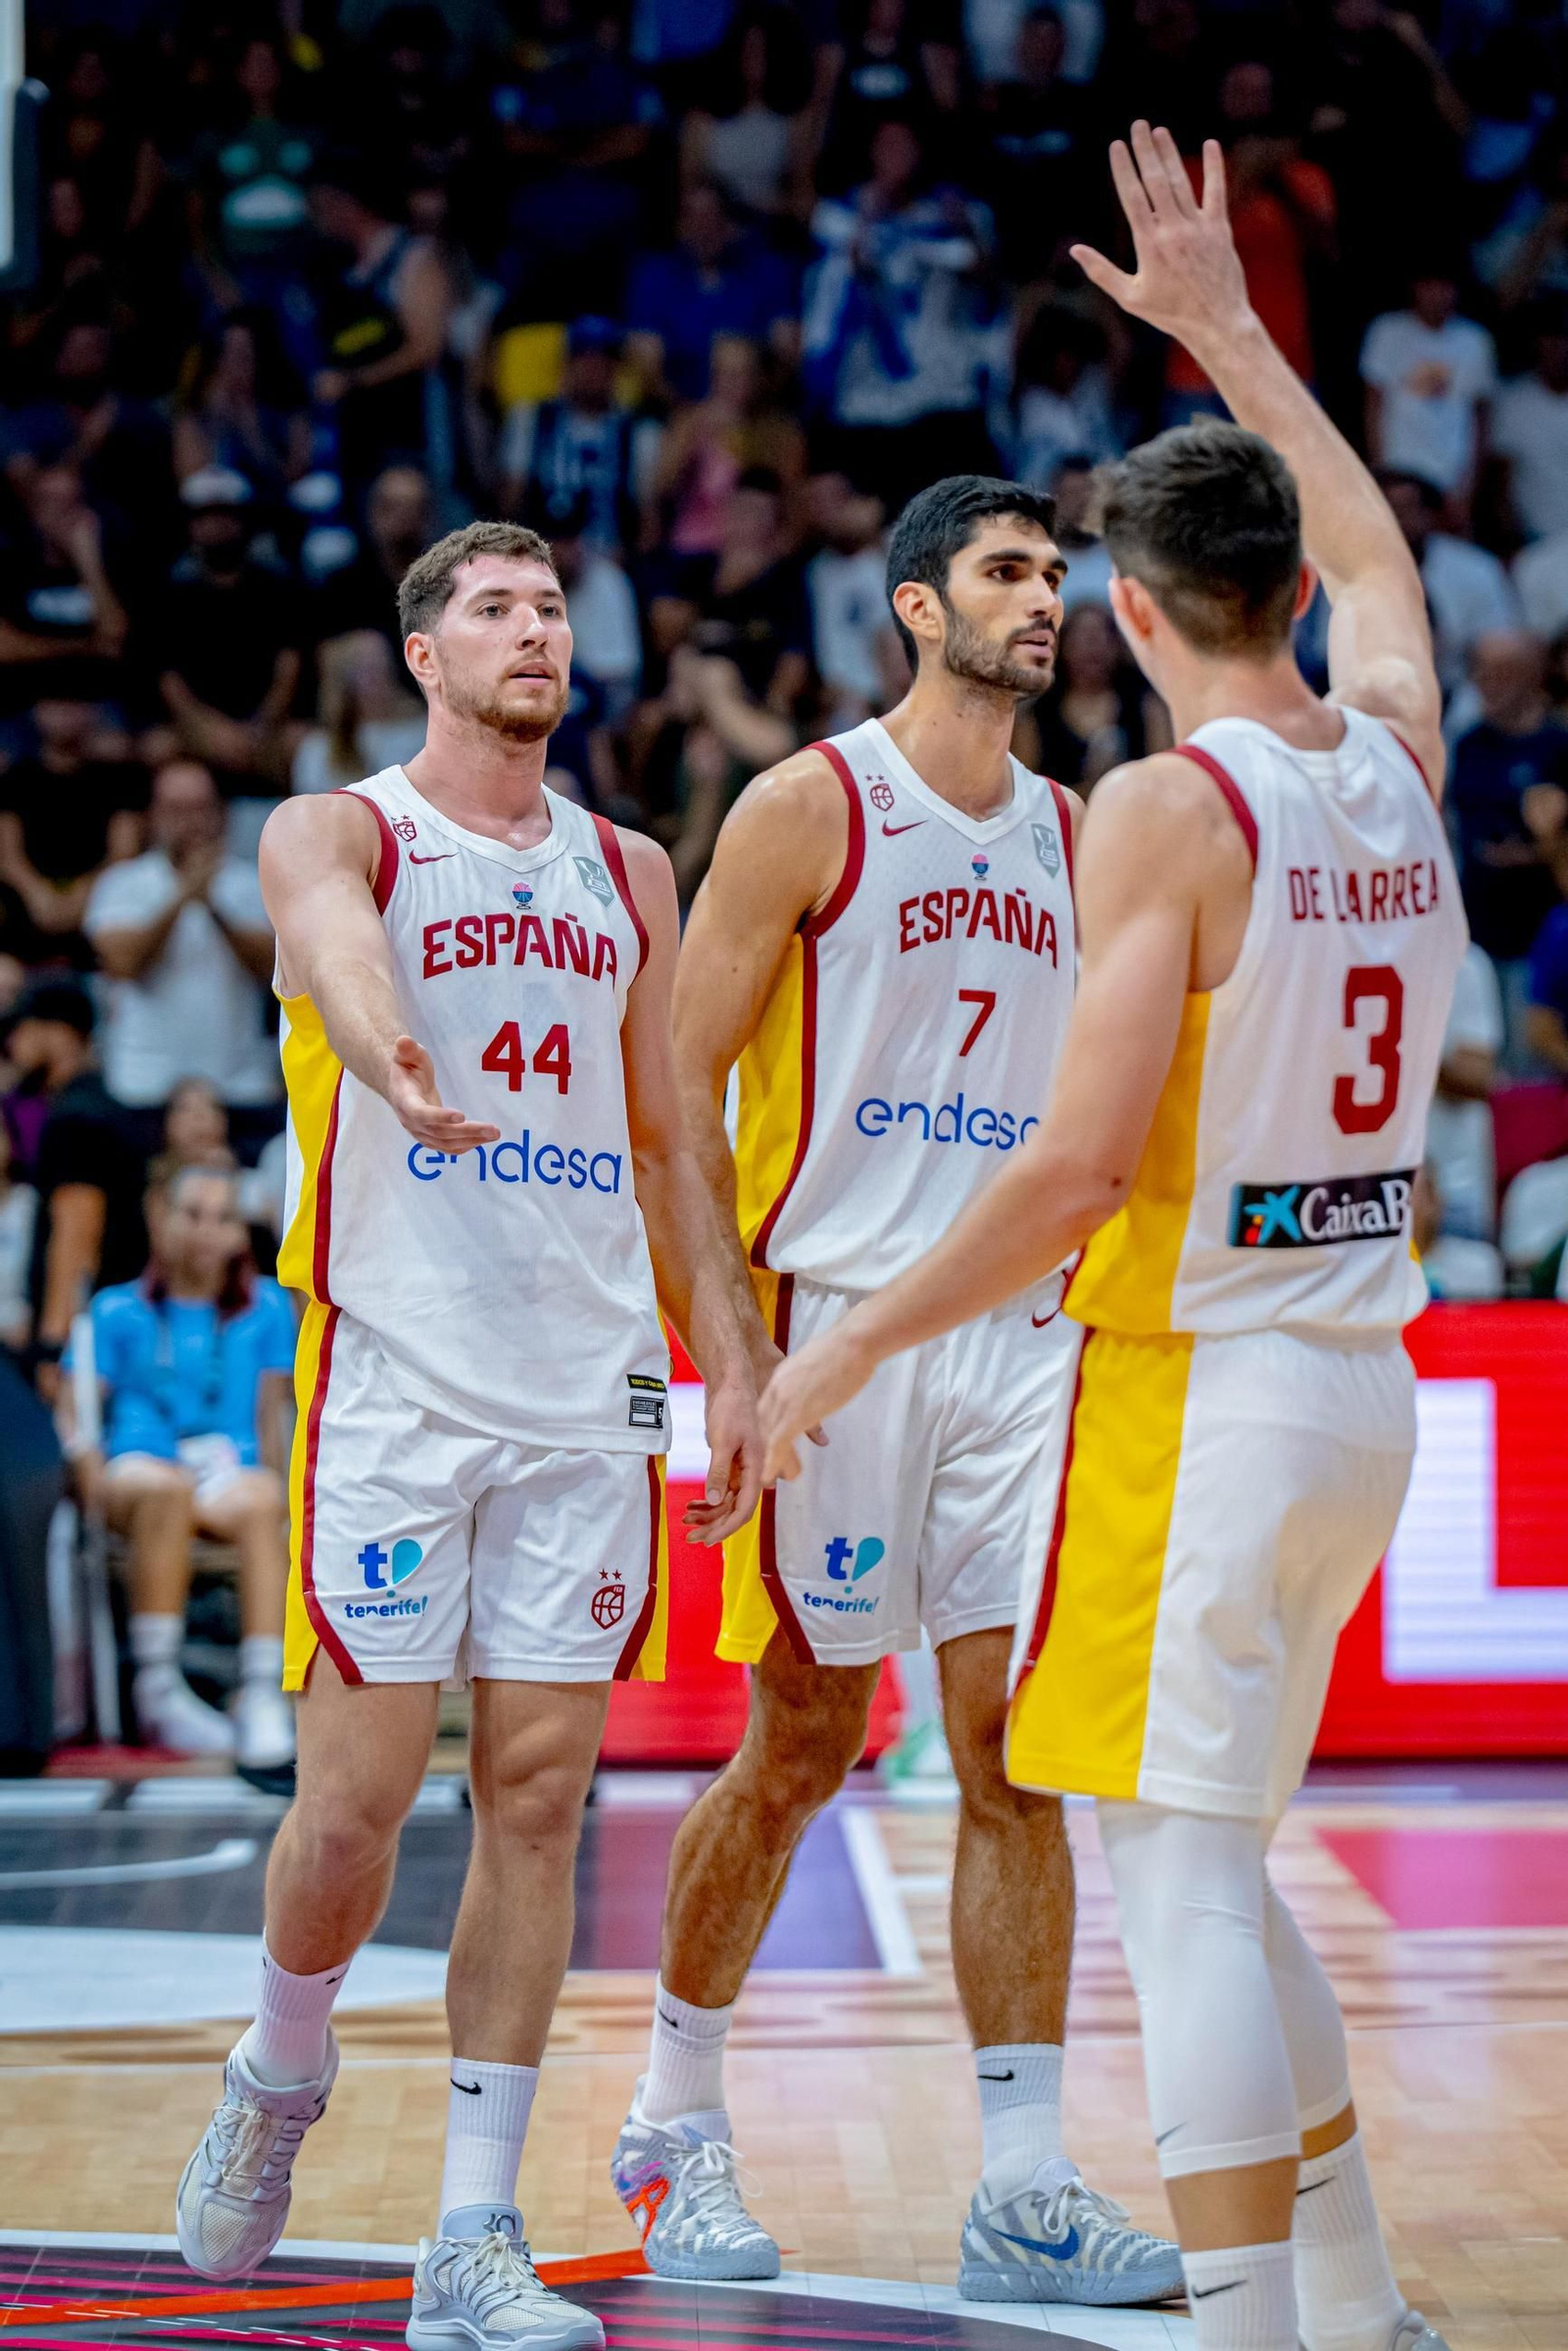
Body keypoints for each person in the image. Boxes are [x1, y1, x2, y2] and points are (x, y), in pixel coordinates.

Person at [759, 125, 1466, 2351]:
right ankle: (1352, 2310)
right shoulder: (1404, 753)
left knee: (1172, 1883)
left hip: (1199, 1395)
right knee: (1223, 1859)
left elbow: (1067, 1178)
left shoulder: (1165, 807)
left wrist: (844, 1338)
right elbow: (1372, 542)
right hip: (1364, 1391)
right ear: (1291, 594)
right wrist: (1237, 335)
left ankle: (1253, 2322)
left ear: (1134, 613)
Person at [174, 519, 760, 2351]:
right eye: (496, 607)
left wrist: (730, 1356)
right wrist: (389, 1049)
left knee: (537, 1802)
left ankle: (471, 2228)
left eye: (552, 608)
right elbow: (339, 947)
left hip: (590, 1388)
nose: (537, 629)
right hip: (399, 1384)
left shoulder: (631, 867)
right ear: (423, 652)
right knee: (351, 1810)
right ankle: (280, 2063)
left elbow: (672, 1144)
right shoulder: (334, 825)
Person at [612, 471, 1182, 2309]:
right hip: (834, 1319)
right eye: (1010, 573)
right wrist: (726, 1334)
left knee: (1019, 1757)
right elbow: (672, 1085)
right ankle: (671, 2118)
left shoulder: (1080, 827)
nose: (1051, 601)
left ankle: (1024, 2178)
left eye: (1056, 573)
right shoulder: (807, 803)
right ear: (918, 607)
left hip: (1019, 1341)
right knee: (799, 1737)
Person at [64, 1164, 297, 1769]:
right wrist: (91, 1494)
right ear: (160, 1219)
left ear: (239, 1234)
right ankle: (159, 1688)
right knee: (162, 1489)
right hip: (139, 1470)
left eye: (221, 1218)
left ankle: (261, 1691)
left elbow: (275, 1417)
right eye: (191, 1214)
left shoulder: (266, 1307)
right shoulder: (114, 1309)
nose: (205, 1231)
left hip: (225, 1475)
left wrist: (285, 1487)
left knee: (266, 1499)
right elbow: (76, 1418)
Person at [84, 759, 280, 1127]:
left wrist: (214, 906)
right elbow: (123, 965)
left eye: (198, 808)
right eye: (175, 809)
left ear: (219, 814)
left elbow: (271, 968)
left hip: (239, 1082)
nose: (187, 820)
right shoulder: (122, 884)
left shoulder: (254, 883)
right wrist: (182, 897)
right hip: (143, 1081)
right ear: (154, 814)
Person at [1, 976, 146, 1390]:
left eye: (23, 1030)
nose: (13, 1046)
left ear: (61, 1035)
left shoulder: (76, 1118)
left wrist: (55, 1347)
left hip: (91, 1345)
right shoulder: (100, 1105)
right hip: (114, 1330)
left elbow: (76, 1240)